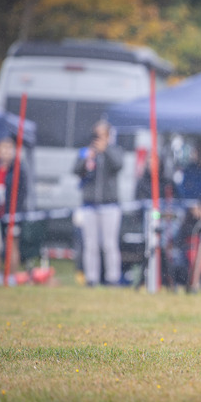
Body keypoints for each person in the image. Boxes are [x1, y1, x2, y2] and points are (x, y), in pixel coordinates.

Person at [73, 121, 124, 286]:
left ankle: (113, 278)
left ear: (108, 136)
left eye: (102, 135)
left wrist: (105, 150)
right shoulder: (87, 151)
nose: (98, 138)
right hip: (89, 204)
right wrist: (88, 157)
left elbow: (118, 165)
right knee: (90, 244)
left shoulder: (115, 150)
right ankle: (91, 278)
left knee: (109, 244)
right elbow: (76, 170)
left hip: (109, 205)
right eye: (96, 135)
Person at [0, 137, 30, 275]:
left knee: (12, 245)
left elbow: (22, 192)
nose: (6, 152)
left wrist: (15, 212)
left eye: (9, 148)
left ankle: (12, 275)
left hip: (12, 214)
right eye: (3, 148)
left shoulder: (19, 169)